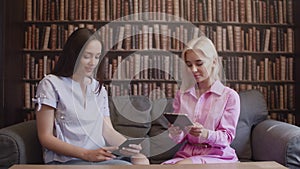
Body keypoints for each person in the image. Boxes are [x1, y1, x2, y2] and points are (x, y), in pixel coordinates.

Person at [33, 28, 149, 165]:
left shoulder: (98, 88)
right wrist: (86, 154)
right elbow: (45, 137)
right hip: (68, 160)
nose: (93, 63)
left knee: (142, 161)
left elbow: (107, 130)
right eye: (87, 56)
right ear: (73, 55)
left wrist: (129, 147)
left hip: (98, 158)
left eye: (97, 56)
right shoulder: (51, 84)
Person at [162, 36, 240, 164]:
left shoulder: (229, 96)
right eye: (189, 64)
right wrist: (176, 132)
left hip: (217, 156)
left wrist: (205, 134)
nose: (193, 69)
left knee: (182, 166)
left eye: (199, 63)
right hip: (187, 154)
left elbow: (227, 138)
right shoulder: (182, 95)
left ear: (214, 62)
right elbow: (178, 138)